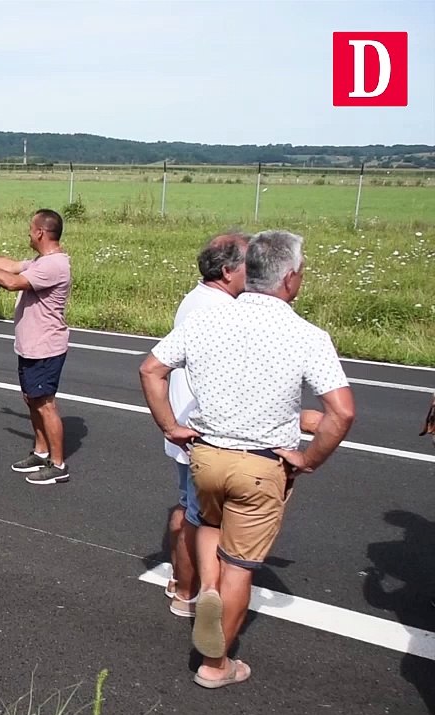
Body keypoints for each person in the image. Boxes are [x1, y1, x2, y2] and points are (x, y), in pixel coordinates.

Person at [138, 229, 355, 689]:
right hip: (261, 464)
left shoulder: (206, 320)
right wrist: (308, 459)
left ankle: (207, 588)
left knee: (208, 524)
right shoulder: (306, 335)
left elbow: (151, 369)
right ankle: (216, 664)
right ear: (290, 278)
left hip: (206, 456)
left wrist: (170, 426)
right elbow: (342, 411)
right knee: (240, 565)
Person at [160, 232, 250, 619]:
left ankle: (180, 581)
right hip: (202, 429)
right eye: (249, 263)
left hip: (187, 421)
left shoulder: (199, 298)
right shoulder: (220, 311)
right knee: (200, 516)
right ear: (228, 271)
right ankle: (188, 591)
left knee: (188, 507)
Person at [0, 209, 73, 485]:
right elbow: (11, 266)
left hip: (45, 347)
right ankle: (41, 451)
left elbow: (10, 282)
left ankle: (58, 464)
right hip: (31, 346)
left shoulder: (53, 265)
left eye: (30, 229)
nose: (28, 233)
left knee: (45, 403)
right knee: (31, 399)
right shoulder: (41, 261)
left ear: (40, 233)